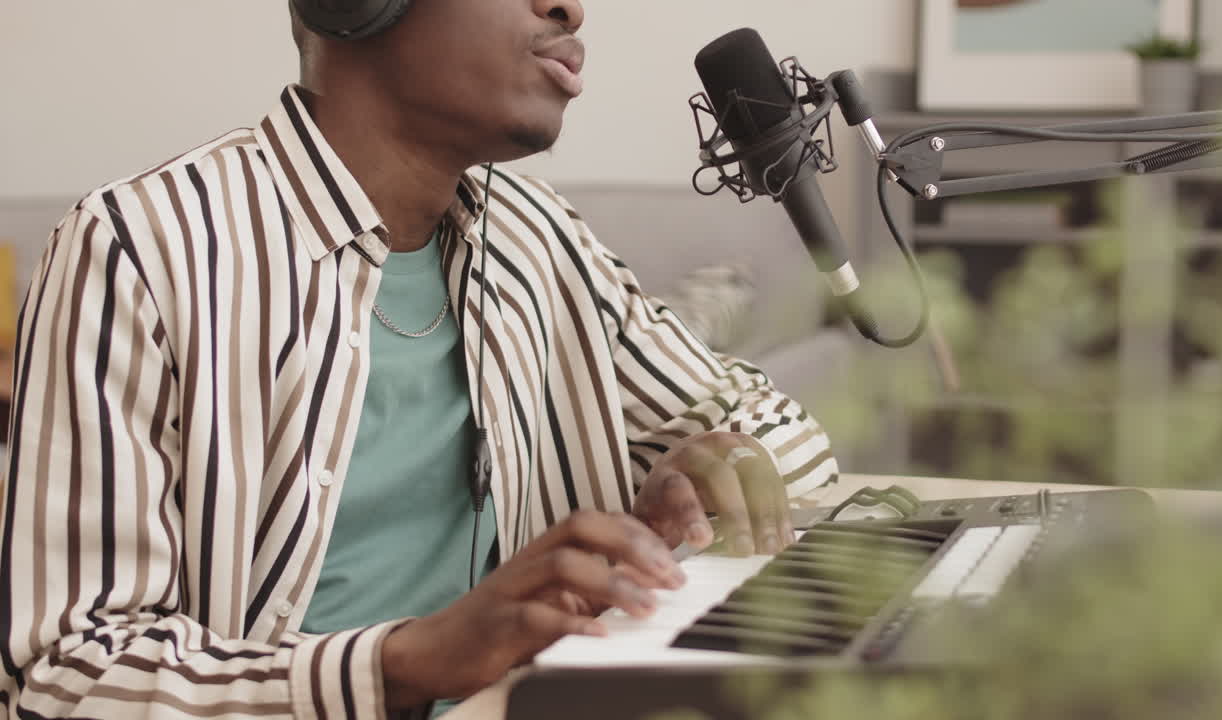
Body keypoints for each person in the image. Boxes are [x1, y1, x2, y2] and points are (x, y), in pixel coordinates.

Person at [0, 0, 838, 717]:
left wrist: (704, 483)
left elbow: (783, 434)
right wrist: (401, 661)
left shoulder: (536, 235)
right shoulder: (138, 251)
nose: (572, 7)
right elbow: (64, 679)